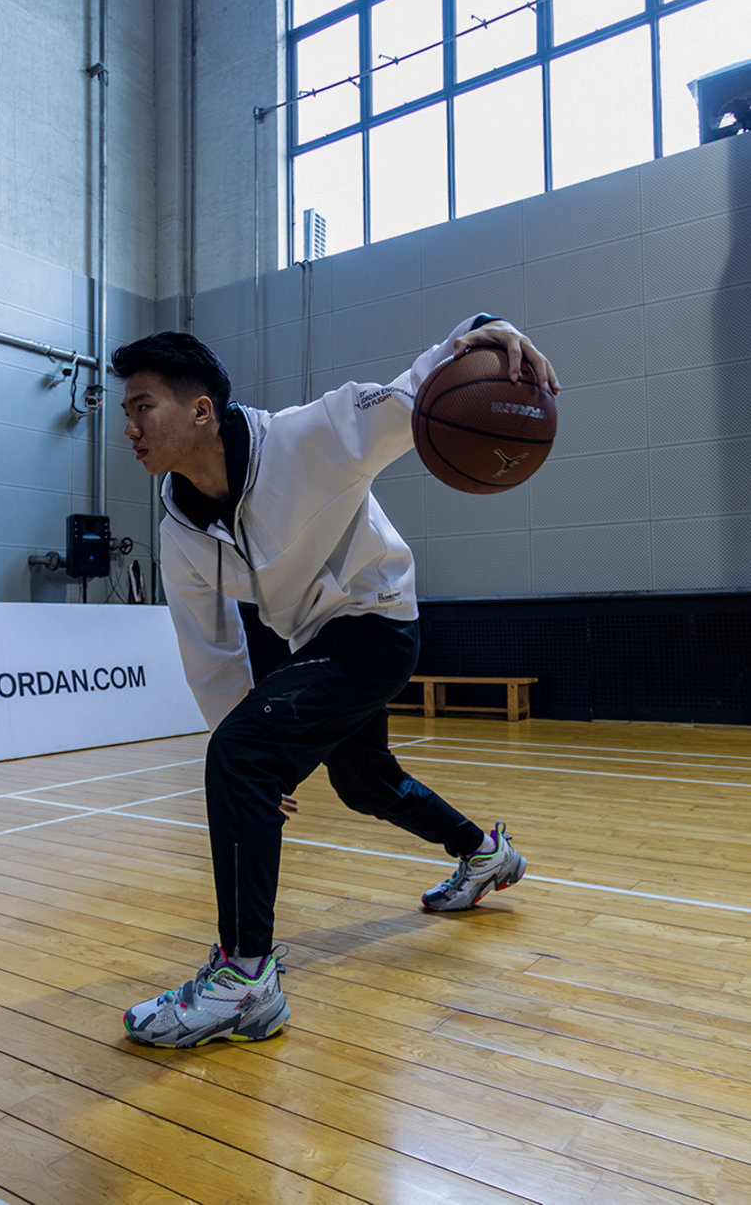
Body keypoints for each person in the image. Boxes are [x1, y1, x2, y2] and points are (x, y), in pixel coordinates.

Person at [113, 315, 560, 1049]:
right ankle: (484, 853)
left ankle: (245, 981)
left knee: (242, 755)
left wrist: (485, 331)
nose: (129, 428)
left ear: (201, 411)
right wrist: (253, 756)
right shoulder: (178, 528)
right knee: (362, 781)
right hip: (314, 640)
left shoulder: (308, 436)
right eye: (125, 411)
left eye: (143, 407)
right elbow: (211, 650)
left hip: (377, 623)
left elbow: (416, 389)